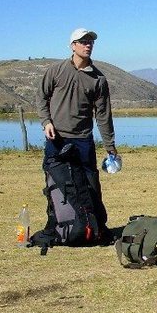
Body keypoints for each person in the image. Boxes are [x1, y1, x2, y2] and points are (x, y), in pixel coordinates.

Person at [36, 27, 118, 229]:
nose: (88, 45)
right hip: (57, 138)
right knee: (56, 182)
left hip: (83, 139)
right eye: (83, 41)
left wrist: (110, 144)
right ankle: (60, 224)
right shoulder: (56, 71)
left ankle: (96, 226)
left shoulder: (98, 79)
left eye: (90, 41)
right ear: (73, 46)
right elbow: (41, 97)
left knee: (90, 183)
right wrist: (46, 122)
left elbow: (103, 114)